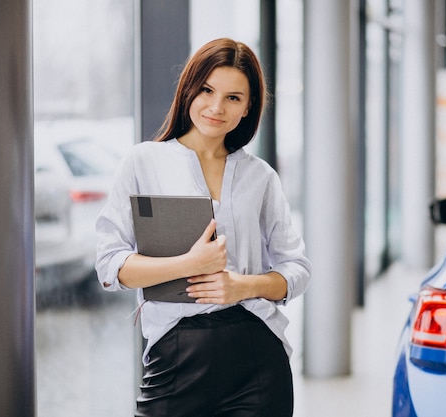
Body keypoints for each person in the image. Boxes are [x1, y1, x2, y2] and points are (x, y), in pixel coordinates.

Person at [95, 38, 311, 417]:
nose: (216, 107)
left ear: (248, 108)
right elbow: (111, 266)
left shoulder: (260, 177)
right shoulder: (142, 162)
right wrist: (189, 264)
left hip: (257, 358)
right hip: (174, 357)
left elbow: (297, 269)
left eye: (233, 97)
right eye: (207, 90)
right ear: (189, 89)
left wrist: (242, 285)